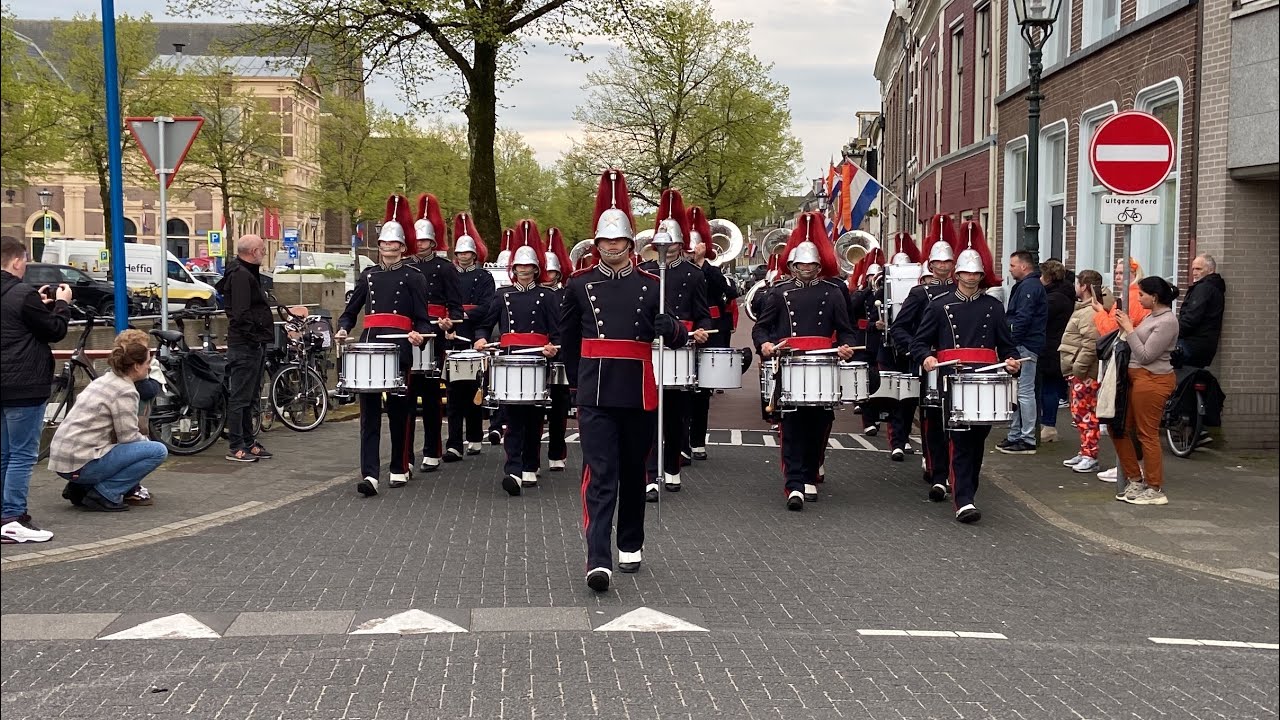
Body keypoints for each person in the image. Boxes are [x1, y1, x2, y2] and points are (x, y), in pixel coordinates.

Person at [561, 169, 686, 592]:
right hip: (596, 390)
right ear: (596, 245)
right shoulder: (579, 285)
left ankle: (630, 541)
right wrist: (575, 387)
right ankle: (597, 558)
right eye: (605, 241)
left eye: (618, 241)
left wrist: (670, 327)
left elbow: (678, 336)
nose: (611, 248)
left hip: (637, 389)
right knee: (600, 474)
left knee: (634, 472)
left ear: (631, 244)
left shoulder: (653, 285)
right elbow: (568, 339)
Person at [752, 212, 857, 512]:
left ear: (819, 266)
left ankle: (810, 472)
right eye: (802, 265)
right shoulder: (779, 293)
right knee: (792, 426)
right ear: (793, 266)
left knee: (820, 424)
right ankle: (794, 483)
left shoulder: (833, 293)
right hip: (791, 363)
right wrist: (765, 344)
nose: (807, 269)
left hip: (823, 363)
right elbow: (761, 327)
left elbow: (847, 329)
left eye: (812, 265)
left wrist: (846, 346)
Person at [911, 240, 1022, 523]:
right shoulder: (939, 305)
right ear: (957, 274)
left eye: (976, 273)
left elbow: (1006, 345)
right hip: (953, 378)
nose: (971, 278)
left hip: (985, 378)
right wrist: (926, 357)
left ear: (981, 276)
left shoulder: (993, 306)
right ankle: (964, 500)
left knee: (977, 440)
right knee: (960, 439)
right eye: (966, 273)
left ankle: (967, 490)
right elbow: (919, 342)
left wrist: (1012, 362)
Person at [335, 194, 433, 496]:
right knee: (369, 415)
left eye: (393, 243)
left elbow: (423, 319)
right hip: (370, 348)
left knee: (400, 411)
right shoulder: (369, 276)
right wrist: (343, 328)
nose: (388, 247)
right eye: (383, 243)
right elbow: (351, 311)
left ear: (403, 248)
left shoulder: (414, 277)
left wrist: (418, 334)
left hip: (399, 349)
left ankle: (399, 466)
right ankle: (369, 474)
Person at [474, 223, 560, 495]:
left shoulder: (547, 296)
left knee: (534, 417)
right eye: (519, 266)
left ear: (536, 269)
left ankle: (530, 464)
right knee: (512, 417)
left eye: (528, 266)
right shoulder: (503, 296)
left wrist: (553, 347)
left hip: (537, 360)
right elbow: (485, 324)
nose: (523, 270)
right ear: (513, 269)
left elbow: (558, 332)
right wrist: (481, 338)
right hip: (510, 360)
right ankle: (513, 468)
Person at [640, 191, 712, 500]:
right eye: (661, 245)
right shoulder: (645, 272)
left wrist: (701, 330)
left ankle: (671, 467)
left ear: (681, 245)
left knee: (676, 417)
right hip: (649, 348)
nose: (666, 250)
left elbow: (703, 314)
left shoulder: (694, 275)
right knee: (647, 414)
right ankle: (650, 474)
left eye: (670, 245)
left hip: (680, 348)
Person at [48, 330, 168, 512]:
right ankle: (106, 493)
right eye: (147, 363)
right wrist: (146, 442)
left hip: (63, 459)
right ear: (136, 366)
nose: (149, 368)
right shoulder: (125, 391)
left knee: (119, 447)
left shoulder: (105, 380)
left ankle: (81, 488)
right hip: (81, 462)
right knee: (157, 451)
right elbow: (128, 437)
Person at [1, 236, 71, 542]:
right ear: (17, 260)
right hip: (24, 385)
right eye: (25, 261)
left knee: (4, 454)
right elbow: (55, 330)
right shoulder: (21, 293)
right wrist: (62, 304)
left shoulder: (21, 297)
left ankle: (4, 514)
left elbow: (16, 323)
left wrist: (38, 306)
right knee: (22, 455)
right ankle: (12, 516)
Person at [889, 217, 960, 495]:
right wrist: (919, 351)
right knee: (932, 419)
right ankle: (936, 468)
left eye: (947, 261)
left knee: (958, 421)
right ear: (930, 264)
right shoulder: (920, 294)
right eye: (938, 262)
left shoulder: (963, 292)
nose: (943, 266)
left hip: (958, 364)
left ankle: (954, 470)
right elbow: (900, 328)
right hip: (930, 364)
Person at [405, 193, 464, 472]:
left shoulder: (445, 268)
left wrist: (449, 323)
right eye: (416, 240)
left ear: (433, 241)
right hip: (408, 333)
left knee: (430, 395)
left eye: (424, 240)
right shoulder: (404, 267)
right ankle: (405, 455)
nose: (419, 244)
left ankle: (432, 449)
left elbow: (456, 307)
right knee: (405, 394)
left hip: (433, 335)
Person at [1111, 277, 1180, 506]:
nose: (1138, 298)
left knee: (1146, 433)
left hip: (1153, 379)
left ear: (1155, 297)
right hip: (1136, 379)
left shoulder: (1167, 321)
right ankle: (1135, 479)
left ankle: (1154, 487)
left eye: (1142, 294)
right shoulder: (1152, 317)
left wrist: (1130, 328)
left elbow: (1146, 355)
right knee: (1118, 426)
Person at [443, 212, 495, 462]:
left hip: (473, 334)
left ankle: (474, 435)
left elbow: (487, 306)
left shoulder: (484, 277)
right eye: (460, 253)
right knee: (453, 394)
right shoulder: (449, 274)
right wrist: (448, 321)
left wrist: (462, 315)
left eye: (467, 253)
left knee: (474, 390)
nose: (463, 256)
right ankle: (454, 443)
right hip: (451, 335)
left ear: (474, 255)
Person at [686, 206, 736, 462]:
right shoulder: (675, 270)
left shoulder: (712, 271)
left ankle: (697, 441)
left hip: (709, 331)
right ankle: (679, 440)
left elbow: (729, 292)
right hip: (683, 331)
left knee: (701, 390)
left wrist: (702, 264)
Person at [219, 234, 274, 463]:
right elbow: (241, 313)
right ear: (253, 252)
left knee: (250, 396)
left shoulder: (246, 273)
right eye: (262, 249)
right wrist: (254, 335)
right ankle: (236, 445)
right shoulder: (241, 276)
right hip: (245, 344)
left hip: (252, 343)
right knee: (240, 397)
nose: (264, 252)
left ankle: (249, 442)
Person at [997, 250, 1046, 455]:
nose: (1010, 269)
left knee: (1024, 392)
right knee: (1018, 392)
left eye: (1012, 265)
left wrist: (1011, 341)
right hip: (1025, 343)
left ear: (1024, 266)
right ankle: (1016, 434)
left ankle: (1027, 438)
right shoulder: (1029, 286)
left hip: (1025, 345)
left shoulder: (1029, 287)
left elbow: (1023, 317)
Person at [1058, 270, 1107, 474]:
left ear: (1084, 286)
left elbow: (1090, 344)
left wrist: (1078, 368)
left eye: (1077, 283)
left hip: (1085, 373)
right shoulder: (1085, 309)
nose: (1074, 287)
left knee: (1086, 414)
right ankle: (1085, 450)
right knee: (1079, 413)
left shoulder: (1089, 312)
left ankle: (1090, 455)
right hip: (1079, 371)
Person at [541, 228, 573, 472]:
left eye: (551, 271)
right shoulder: (536, 293)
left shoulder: (566, 294)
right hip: (537, 354)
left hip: (560, 354)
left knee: (559, 407)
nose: (548, 275)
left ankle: (557, 452)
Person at [1037, 259, 1075, 444]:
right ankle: (1047, 424)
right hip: (1055, 346)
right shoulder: (1063, 294)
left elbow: (1041, 318)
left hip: (1051, 347)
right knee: (1049, 386)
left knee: (1048, 387)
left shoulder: (1054, 299)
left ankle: (1049, 426)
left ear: (1048, 277)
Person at [1177, 253, 1226, 368]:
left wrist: (1173, 334)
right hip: (1202, 345)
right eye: (1193, 269)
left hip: (1192, 344)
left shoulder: (1204, 288)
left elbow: (1191, 318)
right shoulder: (1213, 287)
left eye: (1198, 269)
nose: (1194, 272)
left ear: (1211, 270)